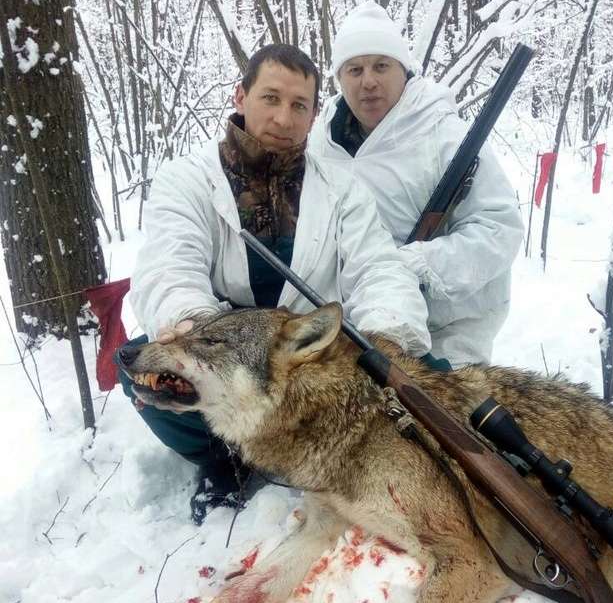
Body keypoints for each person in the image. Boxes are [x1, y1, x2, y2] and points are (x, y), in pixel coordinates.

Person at [120, 42, 431, 524]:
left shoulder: (341, 186)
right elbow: (169, 267)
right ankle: (228, 462)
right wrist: (205, 344)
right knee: (145, 368)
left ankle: (359, 452)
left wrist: (387, 340)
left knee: (426, 373)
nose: (284, 119)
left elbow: (377, 266)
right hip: (223, 350)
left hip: (306, 355)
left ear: (313, 116)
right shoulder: (187, 180)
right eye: (271, 98)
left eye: (299, 106)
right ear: (240, 96)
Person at [309, 2, 524, 367]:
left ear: (403, 70)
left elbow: (499, 229)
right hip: (352, 326)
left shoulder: (445, 135)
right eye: (354, 69)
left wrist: (417, 263)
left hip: (449, 329)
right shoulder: (319, 143)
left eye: (381, 65)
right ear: (339, 79)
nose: (369, 81)